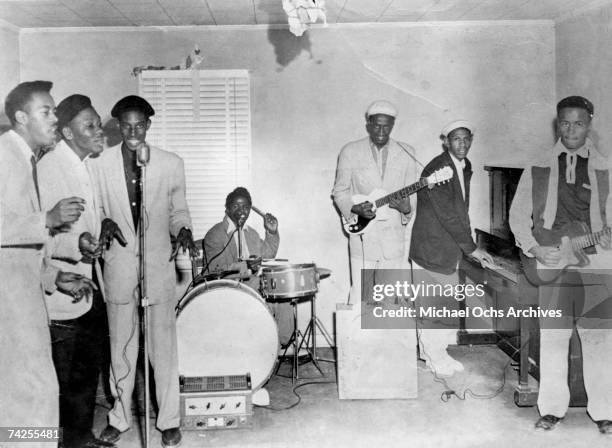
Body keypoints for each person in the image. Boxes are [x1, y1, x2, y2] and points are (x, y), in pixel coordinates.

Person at [92, 95, 197, 447]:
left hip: (158, 266)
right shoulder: (99, 164)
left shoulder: (170, 164)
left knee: (162, 348)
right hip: (119, 266)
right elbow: (95, 210)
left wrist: (183, 229)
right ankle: (119, 418)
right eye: (126, 125)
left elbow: (179, 210)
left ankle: (168, 420)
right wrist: (102, 221)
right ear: (117, 127)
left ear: (149, 126)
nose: (133, 131)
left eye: (140, 125)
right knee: (121, 345)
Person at [509, 96, 612, 434]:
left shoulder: (605, 168)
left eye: (578, 123)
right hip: (551, 263)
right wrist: (535, 248)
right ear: (558, 123)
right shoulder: (537, 165)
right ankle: (552, 409)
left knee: (600, 340)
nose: (571, 130)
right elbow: (517, 216)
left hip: (596, 264)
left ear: (589, 123)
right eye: (565, 123)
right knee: (553, 338)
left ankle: (605, 412)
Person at [0, 80, 96, 430]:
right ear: (21, 118)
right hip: (9, 307)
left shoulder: (24, 159)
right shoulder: (4, 156)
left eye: (55, 111)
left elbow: (15, 247)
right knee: (31, 394)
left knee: (35, 392)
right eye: (47, 112)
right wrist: (49, 219)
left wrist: (51, 277)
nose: (55, 119)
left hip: (23, 297)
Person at [38, 94, 114, 448]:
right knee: (65, 382)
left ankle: (81, 438)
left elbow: (85, 221)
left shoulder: (83, 163)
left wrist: (97, 231)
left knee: (85, 374)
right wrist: (79, 241)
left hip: (87, 285)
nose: (100, 131)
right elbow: (40, 234)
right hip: (61, 293)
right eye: (91, 126)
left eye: (98, 123)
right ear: (67, 132)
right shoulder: (51, 167)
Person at [409, 120, 493, 377]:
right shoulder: (438, 168)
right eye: (457, 139)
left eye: (467, 139)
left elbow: (459, 210)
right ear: (446, 141)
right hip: (431, 247)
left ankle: (437, 352)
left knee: (443, 304)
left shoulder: (463, 166)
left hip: (447, 247)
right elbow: (448, 215)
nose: (463, 144)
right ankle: (433, 356)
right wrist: (471, 248)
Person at [332, 100, 416, 306]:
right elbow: (339, 192)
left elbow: (411, 200)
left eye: (386, 125)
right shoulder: (349, 151)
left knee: (389, 303)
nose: (381, 130)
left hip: (393, 240)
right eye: (376, 125)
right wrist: (353, 208)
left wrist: (406, 209)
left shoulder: (407, 152)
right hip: (363, 238)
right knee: (361, 299)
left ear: (393, 125)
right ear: (368, 124)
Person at [202, 187, 292, 345]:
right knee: (267, 290)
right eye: (236, 206)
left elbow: (268, 254)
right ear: (227, 208)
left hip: (251, 285)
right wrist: (246, 265)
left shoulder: (251, 233)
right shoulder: (214, 234)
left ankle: (281, 343)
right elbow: (216, 270)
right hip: (226, 288)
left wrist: (271, 232)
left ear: (250, 209)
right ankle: (271, 348)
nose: (241, 211)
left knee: (281, 290)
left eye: (245, 207)